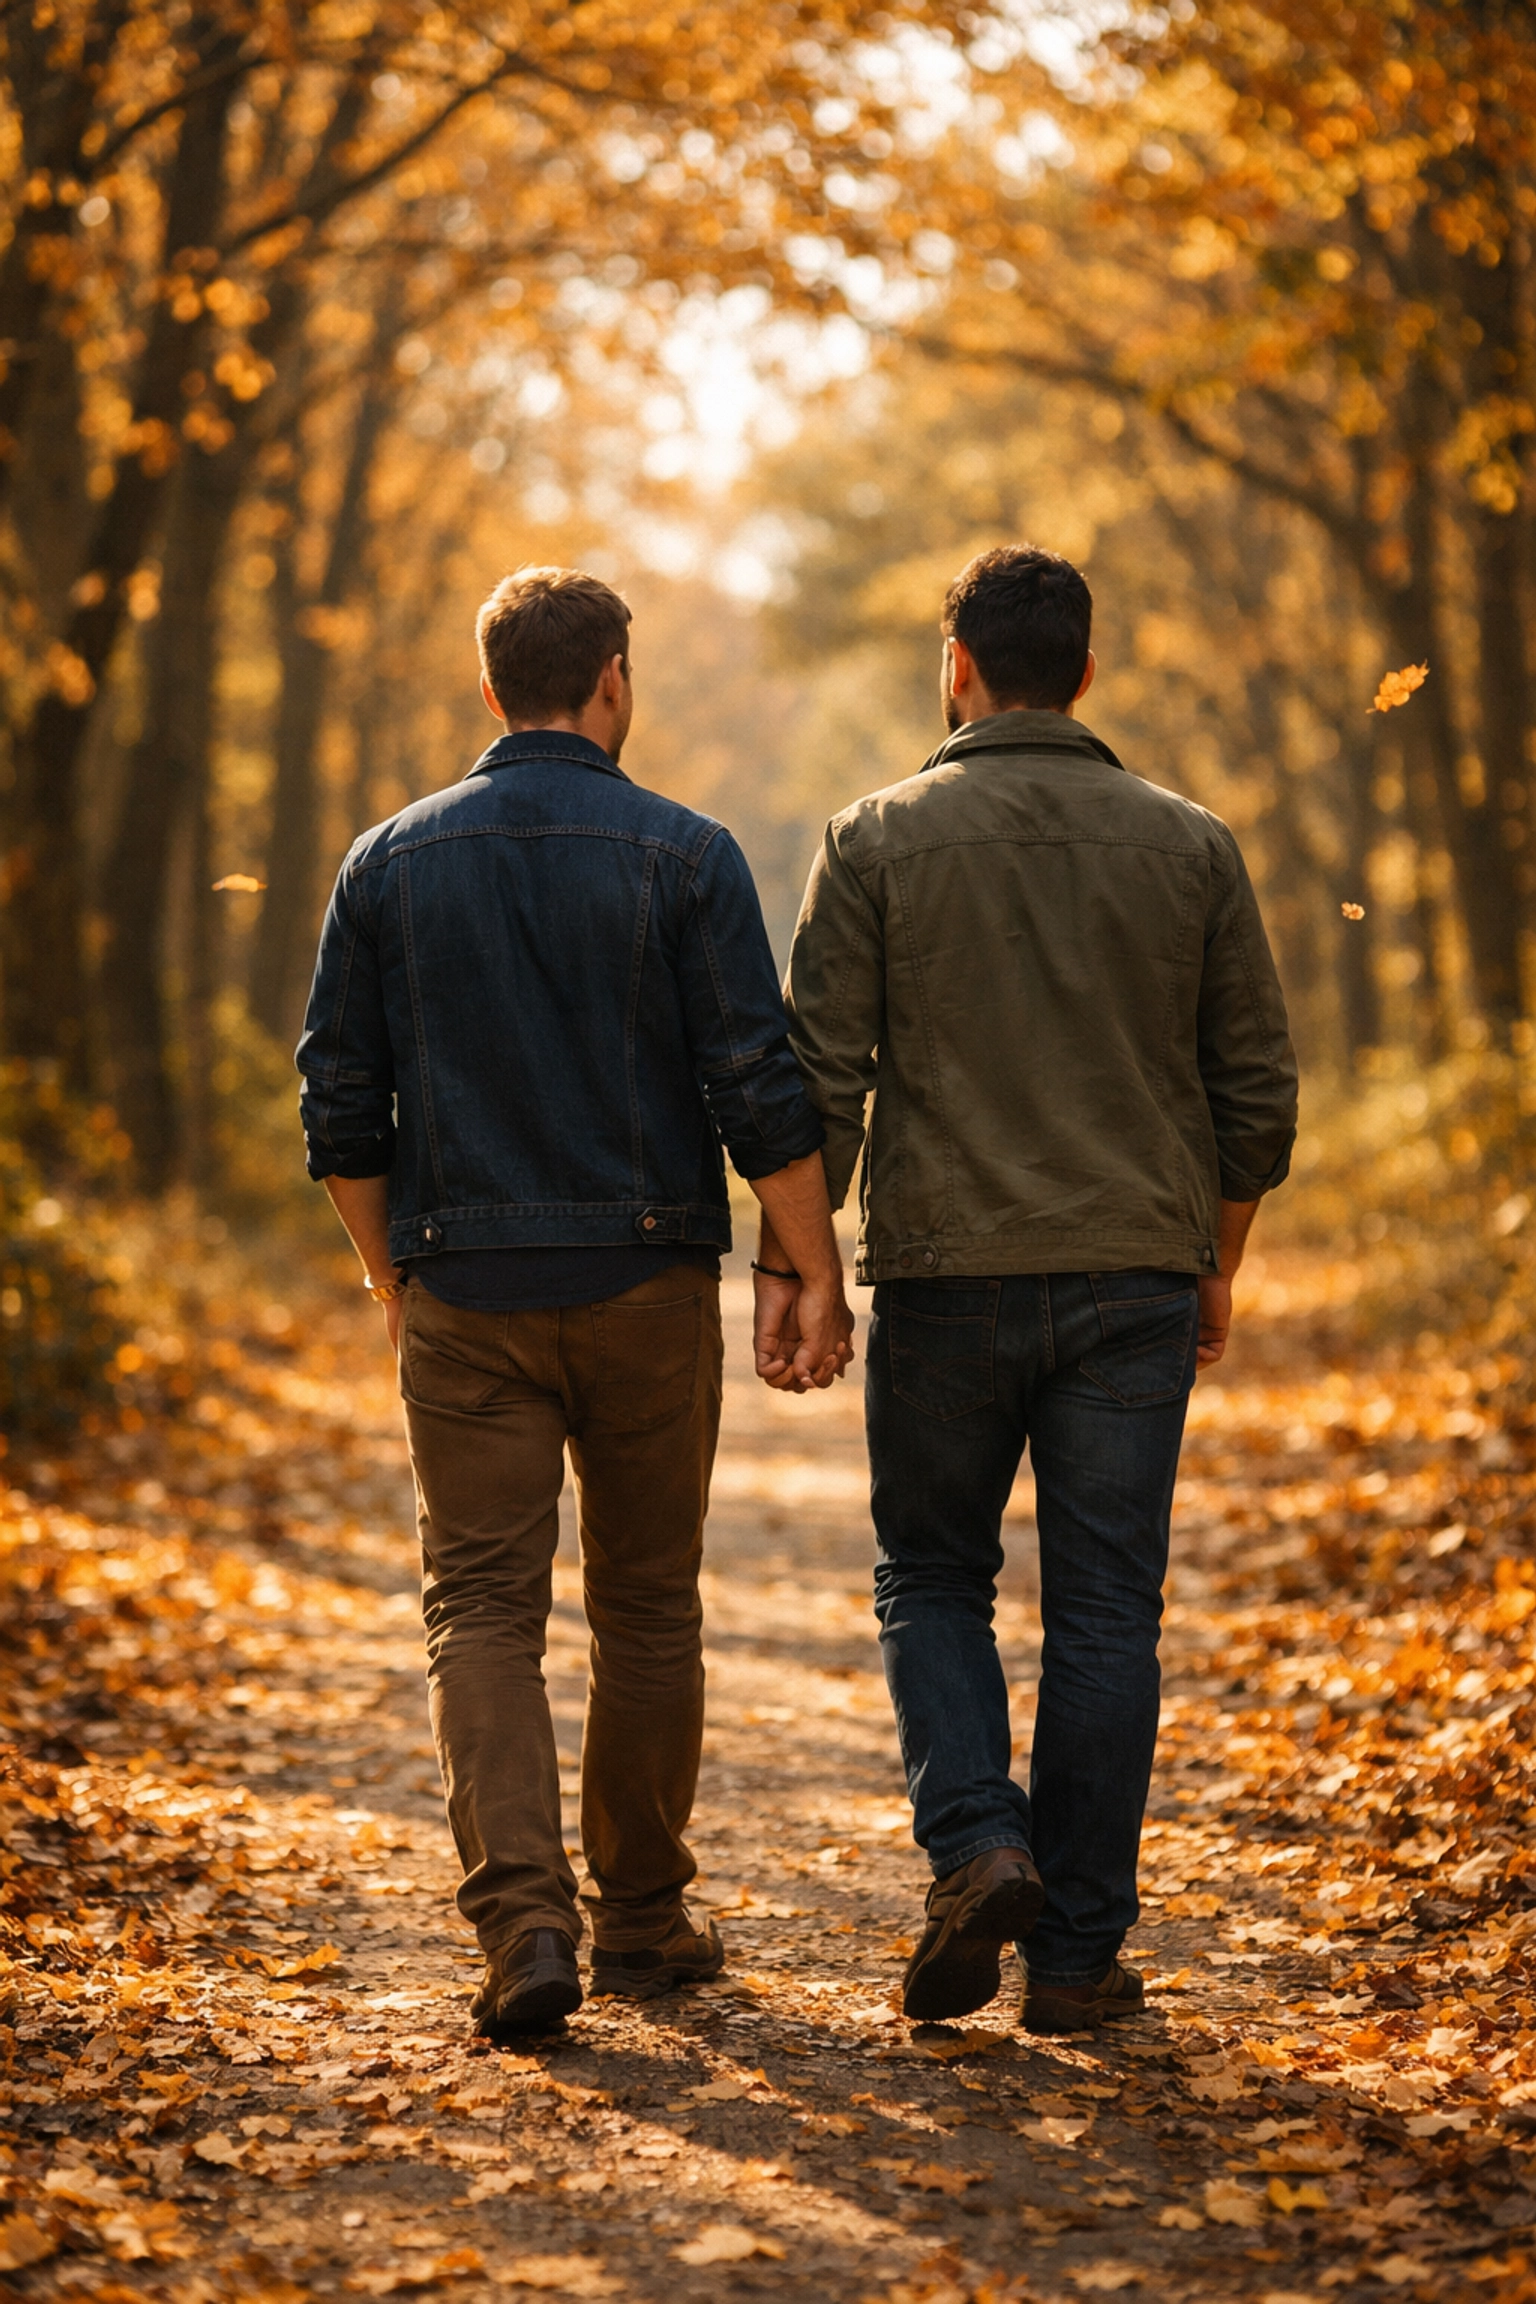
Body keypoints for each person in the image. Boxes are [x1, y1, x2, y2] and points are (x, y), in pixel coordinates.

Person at [298, 566, 854, 2040]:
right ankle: (647, 1922)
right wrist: (811, 1265)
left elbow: (339, 1106)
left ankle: (524, 1925)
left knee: (479, 1608)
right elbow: (756, 1082)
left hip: (463, 1288)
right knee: (648, 1605)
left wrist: (390, 1277)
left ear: (492, 692)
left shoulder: (386, 862)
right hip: (644, 1280)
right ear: (613, 680)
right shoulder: (687, 854)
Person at [771, 545, 1297, 2035]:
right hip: (1134, 1273)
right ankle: (1073, 1959)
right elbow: (1253, 1096)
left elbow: (821, 1084)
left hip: (946, 1280)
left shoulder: (873, 840)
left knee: (933, 1575)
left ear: (959, 668)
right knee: (1107, 1611)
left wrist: (801, 1272)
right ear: (1085, 668)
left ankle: (978, 1845)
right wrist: (1217, 1265)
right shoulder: (1192, 846)